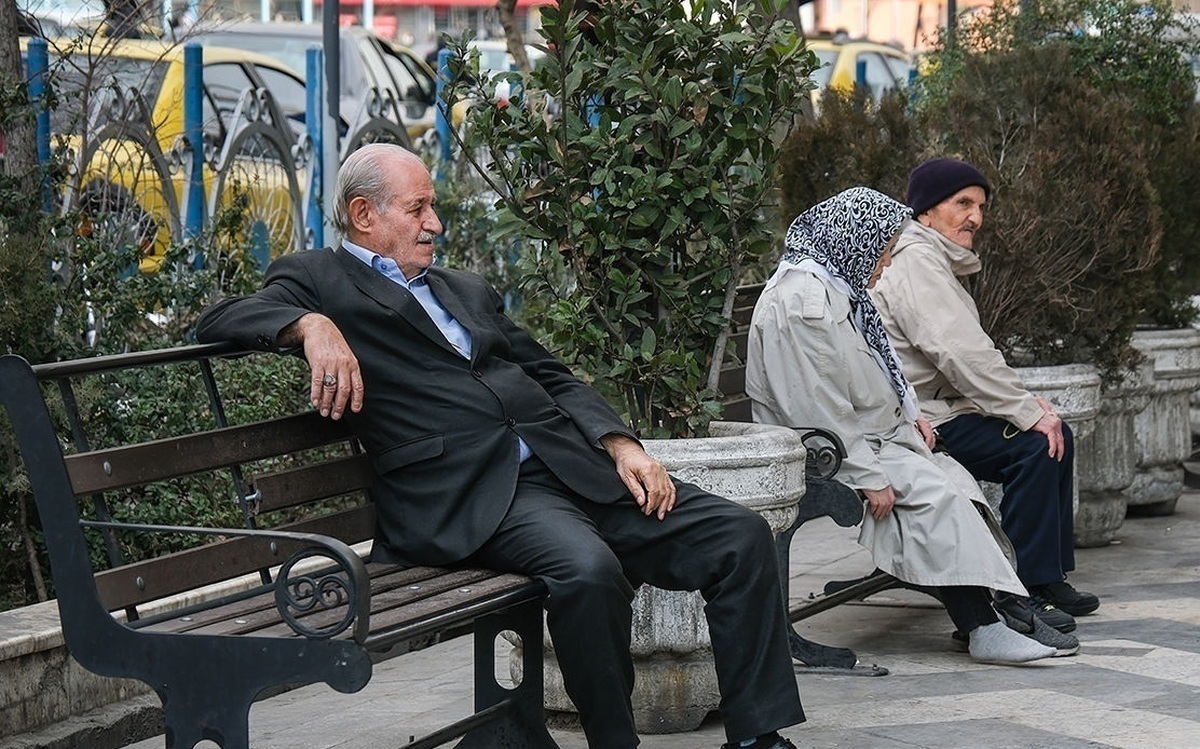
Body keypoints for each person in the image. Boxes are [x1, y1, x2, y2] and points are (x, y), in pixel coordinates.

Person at [196, 143, 804, 749]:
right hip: (475, 495)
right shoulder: (320, 279)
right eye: (419, 208)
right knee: (588, 571)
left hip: (572, 466)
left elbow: (551, 373)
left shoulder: (464, 288)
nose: (436, 223)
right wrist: (312, 325)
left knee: (738, 535)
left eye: (432, 206)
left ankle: (755, 739)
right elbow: (219, 318)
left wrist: (623, 445)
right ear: (364, 215)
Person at [746, 187, 1070, 663]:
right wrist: (868, 477)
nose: (888, 264)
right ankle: (986, 625)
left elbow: (878, 369)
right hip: (833, 450)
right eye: (883, 251)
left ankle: (1004, 607)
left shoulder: (833, 284)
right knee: (935, 499)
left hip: (867, 438)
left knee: (956, 487)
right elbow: (816, 405)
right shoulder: (803, 302)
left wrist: (912, 414)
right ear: (853, 241)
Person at [869, 157, 1100, 635]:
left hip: (944, 409)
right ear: (926, 211)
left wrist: (1030, 409)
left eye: (980, 205)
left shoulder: (931, 257)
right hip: (923, 420)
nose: (975, 216)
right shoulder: (916, 260)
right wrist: (1025, 411)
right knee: (1037, 446)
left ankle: (1046, 577)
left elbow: (962, 355)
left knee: (1055, 436)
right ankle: (1021, 589)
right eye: (963, 203)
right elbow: (960, 352)